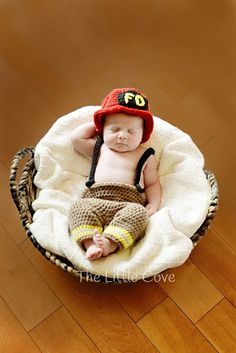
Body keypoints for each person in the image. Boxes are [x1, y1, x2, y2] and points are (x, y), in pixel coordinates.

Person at [68, 88, 161, 260]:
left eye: (131, 132)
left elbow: (153, 183)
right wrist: (99, 125)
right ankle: (90, 244)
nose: (122, 136)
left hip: (128, 203)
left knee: (139, 214)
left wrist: (154, 204)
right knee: (78, 207)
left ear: (143, 135)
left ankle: (109, 244)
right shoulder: (100, 148)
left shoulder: (145, 155)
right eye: (115, 129)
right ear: (102, 130)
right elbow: (76, 138)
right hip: (94, 199)